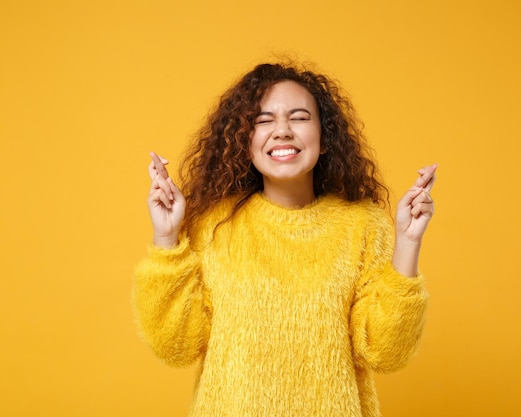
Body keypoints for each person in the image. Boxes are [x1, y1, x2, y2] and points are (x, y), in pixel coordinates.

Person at [132, 62, 436, 417]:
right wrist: (167, 236)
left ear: (325, 139)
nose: (282, 131)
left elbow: (385, 353)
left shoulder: (363, 225)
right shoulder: (212, 225)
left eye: (299, 117)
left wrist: (408, 242)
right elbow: (176, 347)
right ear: (244, 140)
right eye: (263, 120)